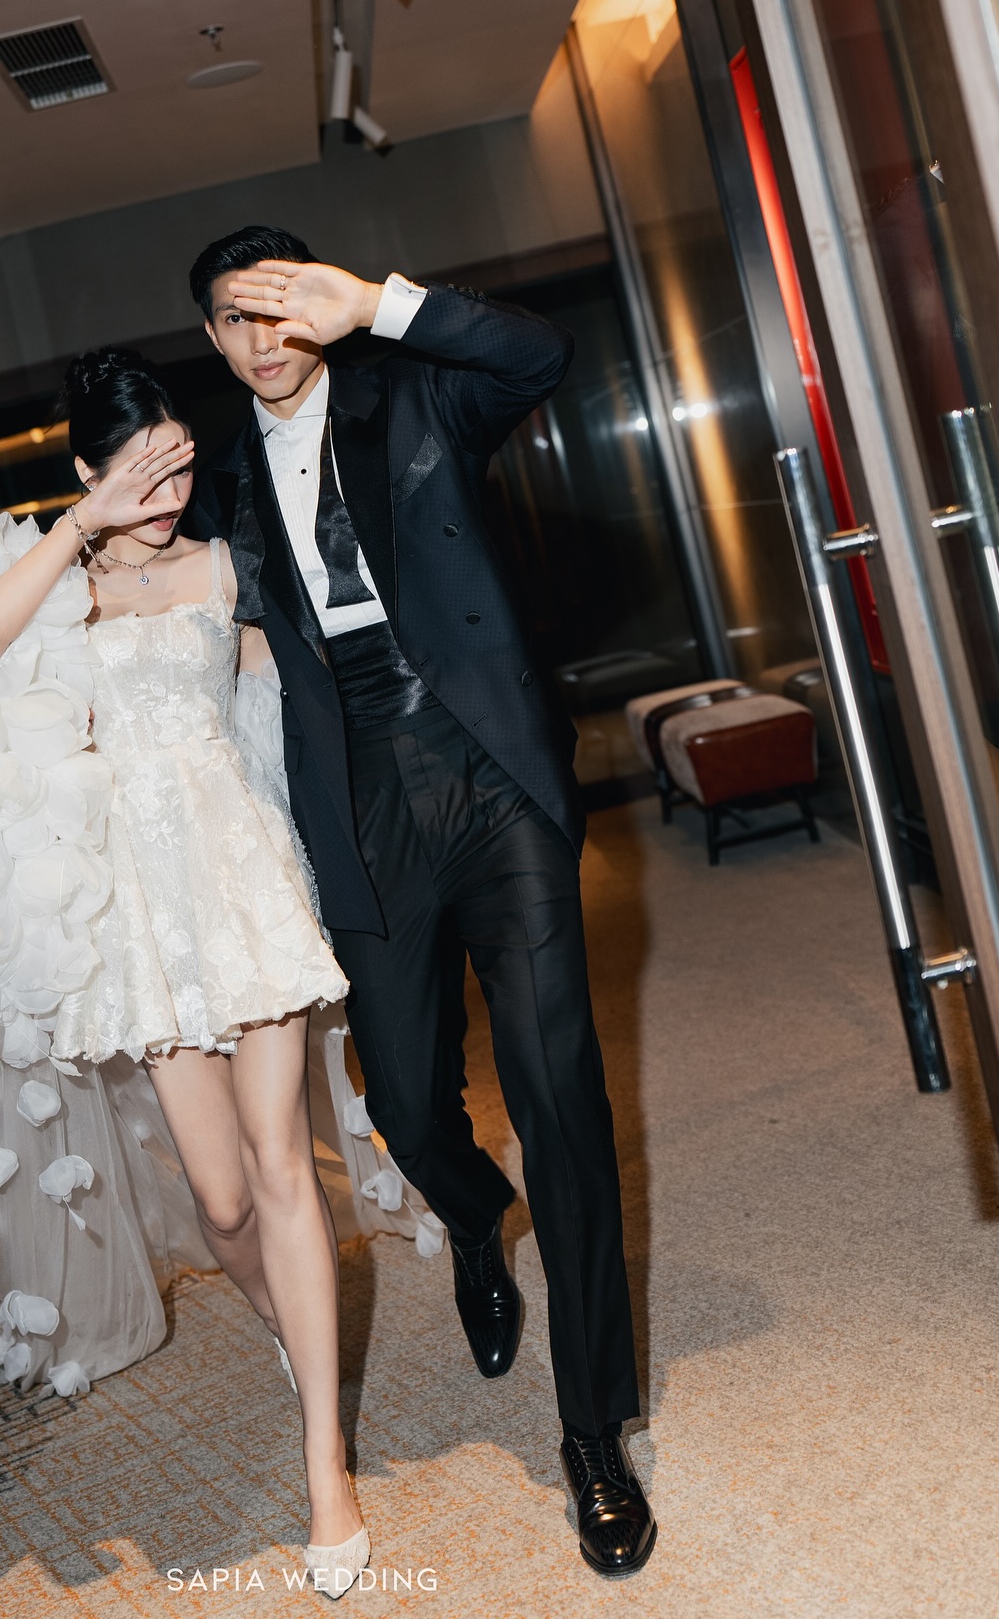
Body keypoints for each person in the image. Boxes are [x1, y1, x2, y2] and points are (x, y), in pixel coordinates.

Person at [0, 351, 379, 1598]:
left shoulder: (224, 566)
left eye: (180, 464)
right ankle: (291, 1330)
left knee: (280, 1170)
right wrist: (80, 525)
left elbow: (294, 697)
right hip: (139, 912)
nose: (167, 489)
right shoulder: (59, 593)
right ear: (90, 471)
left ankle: (327, 1463)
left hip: (238, 877)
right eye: (140, 470)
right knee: (223, 1204)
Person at [186, 227, 657, 1578]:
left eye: (284, 307)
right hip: (358, 794)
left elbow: (542, 354)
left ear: (318, 304)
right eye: (238, 318)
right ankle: (470, 1212)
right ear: (213, 337)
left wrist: (381, 306)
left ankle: (593, 1432)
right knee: (401, 1100)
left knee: (561, 1092)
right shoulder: (216, 475)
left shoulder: (419, 394)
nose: (267, 338)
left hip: (490, 763)